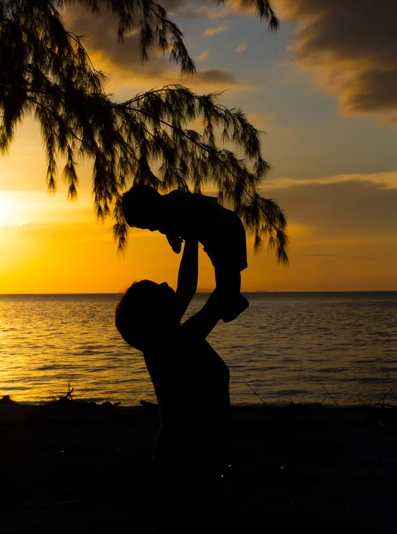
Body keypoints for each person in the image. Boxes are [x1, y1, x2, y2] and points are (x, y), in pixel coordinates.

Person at [115, 239, 231, 532]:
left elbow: (188, 286)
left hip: (189, 456)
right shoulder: (173, 343)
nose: (166, 283)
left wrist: (192, 238)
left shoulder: (169, 337)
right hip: (184, 461)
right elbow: (217, 300)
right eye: (158, 287)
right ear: (154, 313)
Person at [121, 185, 249, 323]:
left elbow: (195, 208)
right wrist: (174, 240)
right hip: (214, 237)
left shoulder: (174, 203)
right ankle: (231, 299)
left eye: (146, 223)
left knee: (226, 270)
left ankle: (233, 298)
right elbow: (171, 229)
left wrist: (188, 229)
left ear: (150, 207)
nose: (151, 229)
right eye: (145, 227)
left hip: (225, 227)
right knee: (224, 272)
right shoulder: (164, 218)